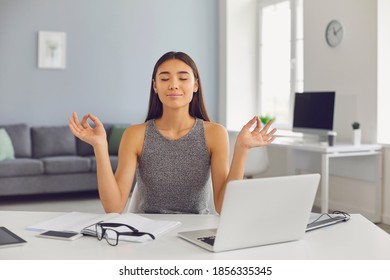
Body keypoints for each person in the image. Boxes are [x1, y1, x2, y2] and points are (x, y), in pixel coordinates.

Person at [68, 51, 276, 214]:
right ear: (155, 86)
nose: (173, 85)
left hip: (196, 229)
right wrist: (100, 147)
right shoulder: (135, 135)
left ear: (195, 85)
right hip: (147, 231)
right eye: (164, 78)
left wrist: (242, 149)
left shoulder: (215, 134)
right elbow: (113, 207)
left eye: (183, 78)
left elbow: (224, 206)